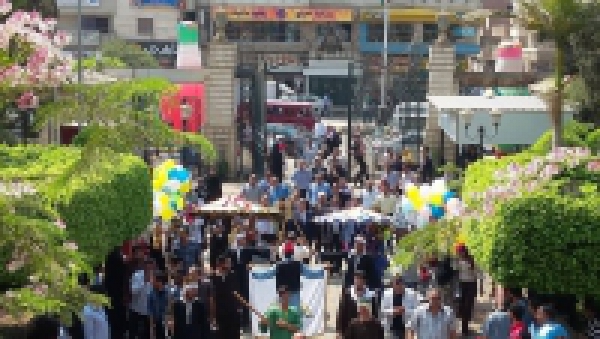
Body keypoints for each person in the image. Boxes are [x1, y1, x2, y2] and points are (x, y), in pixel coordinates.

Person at [336, 271, 378, 337]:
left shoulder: (371, 295)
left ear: (364, 282)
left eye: (360, 280)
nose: (357, 282)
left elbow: (375, 314)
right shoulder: (348, 294)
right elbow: (341, 312)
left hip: (366, 331)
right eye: (356, 280)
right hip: (348, 331)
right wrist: (338, 332)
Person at [210, 254, 242, 339]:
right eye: (228, 263)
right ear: (221, 264)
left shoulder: (233, 275)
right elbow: (212, 297)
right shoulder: (213, 278)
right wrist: (213, 316)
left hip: (233, 312)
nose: (230, 265)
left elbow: (237, 293)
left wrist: (238, 308)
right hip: (220, 313)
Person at [104, 245, 129, 339]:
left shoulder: (112, 257)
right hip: (117, 292)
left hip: (112, 291)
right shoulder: (117, 258)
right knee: (117, 316)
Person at [129, 259, 154, 339]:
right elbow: (133, 291)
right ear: (144, 266)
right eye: (147, 264)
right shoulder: (137, 275)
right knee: (134, 334)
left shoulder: (156, 277)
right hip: (136, 311)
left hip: (149, 312)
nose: (149, 267)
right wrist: (144, 282)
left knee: (146, 335)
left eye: (151, 265)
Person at [456, 245, 478, 336]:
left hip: (471, 285)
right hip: (462, 285)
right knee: (462, 307)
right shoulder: (458, 261)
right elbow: (455, 271)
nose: (459, 254)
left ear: (464, 252)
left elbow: (477, 273)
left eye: (460, 252)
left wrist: (471, 270)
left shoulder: (471, 261)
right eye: (458, 252)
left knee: (468, 307)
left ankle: (465, 329)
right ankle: (464, 328)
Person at [275, 241, 302, 308]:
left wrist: (253, 272)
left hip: (282, 294)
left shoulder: (278, 265)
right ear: (293, 252)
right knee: (294, 315)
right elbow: (310, 273)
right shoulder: (298, 264)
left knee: (282, 316)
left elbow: (266, 274)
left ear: (284, 253)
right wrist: (323, 270)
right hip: (294, 293)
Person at [148, 272, 169, 339]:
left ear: (159, 281)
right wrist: (152, 327)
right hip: (156, 323)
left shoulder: (168, 293)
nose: (152, 282)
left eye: (154, 280)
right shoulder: (151, 294)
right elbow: (150, 311)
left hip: (167, 323)